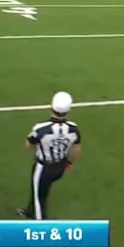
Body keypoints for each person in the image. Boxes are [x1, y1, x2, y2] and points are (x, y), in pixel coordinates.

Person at [17, 91, 82, 220]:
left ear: (52, 107)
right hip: (60, 166)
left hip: (43, 168)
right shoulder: (74, 129)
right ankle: (30, 211)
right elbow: (76, 150)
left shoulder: (41, 129)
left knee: (39, 199)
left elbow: (28, 145)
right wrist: (68, 163)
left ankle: (42, 226)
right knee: (40, 190)